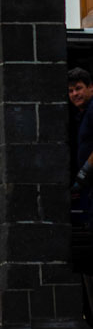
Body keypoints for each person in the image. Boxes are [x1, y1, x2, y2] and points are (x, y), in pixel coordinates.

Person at [69, 67, 93, 222]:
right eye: (70, 91)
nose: (74, 94)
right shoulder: (84, 114)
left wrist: (84, 173)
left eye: (78, 88)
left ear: (91, 87)